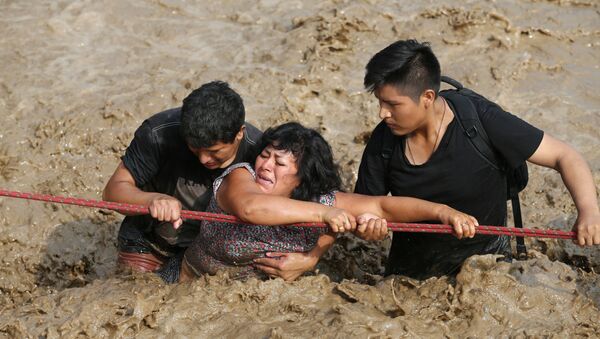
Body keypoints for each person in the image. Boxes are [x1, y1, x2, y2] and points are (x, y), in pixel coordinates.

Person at [354, 39, 600, 280]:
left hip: (487, 267)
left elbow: (564, 155)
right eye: (379, 101)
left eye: (392, 104)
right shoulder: (383, 142)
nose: (382, 113)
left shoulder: (479, 120)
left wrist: (589, 211)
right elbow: (363, 208)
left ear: (427, 97)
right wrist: (368, 229)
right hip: (411, 274)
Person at [179, 122, 479, 282]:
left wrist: (443, 212)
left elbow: (383, 207)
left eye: (279, 163)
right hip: (192, 285)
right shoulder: (240, 177)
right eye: (264, 155)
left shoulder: (319, 199)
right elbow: (251, 209)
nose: (265, 166)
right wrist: (326, 214)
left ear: (302, 178)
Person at [103, 81, 262, 273]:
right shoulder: (157, 133)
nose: (204, 159)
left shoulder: (261, 153)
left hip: (219, 250)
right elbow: (112, 192)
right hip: (152, 241)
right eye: (195, 149)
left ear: (239, 133)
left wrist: (306, 258)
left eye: (214, 151)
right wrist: (153, 199)